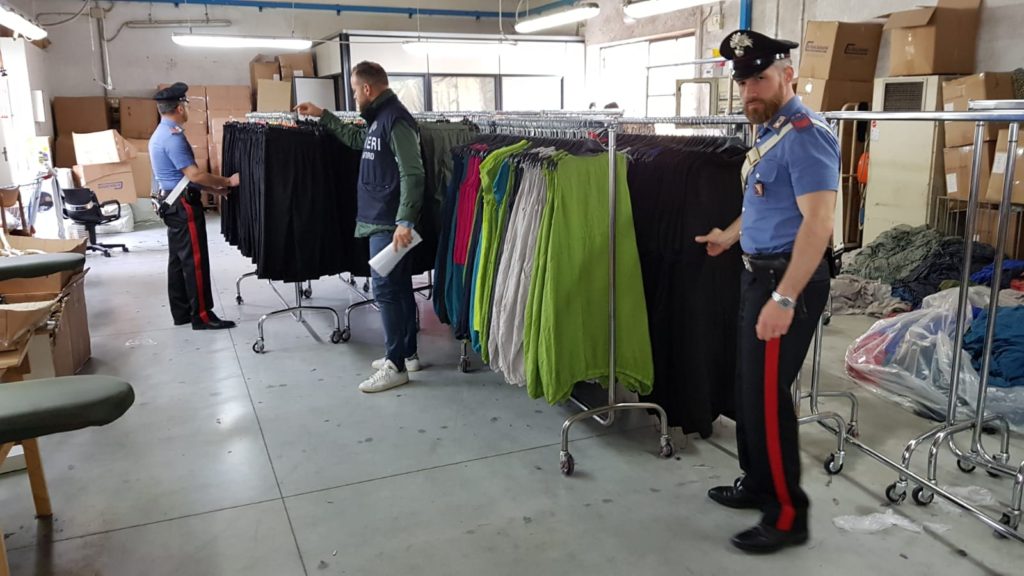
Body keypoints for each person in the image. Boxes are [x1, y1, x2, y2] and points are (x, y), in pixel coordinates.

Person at [695, 30, 839, 553]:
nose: (749, 90)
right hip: (759, 275)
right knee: (749, 391)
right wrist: (730, 236)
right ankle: (758, 482)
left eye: (759, 77)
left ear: (787, 75)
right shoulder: (771, 130)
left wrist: (784, 299)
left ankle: (786, 515)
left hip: (786, 281)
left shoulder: (805, 135)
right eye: (742, 82)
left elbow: (818, 224)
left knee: (768, 398)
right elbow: (767, 203)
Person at [295, 61, 426, 394]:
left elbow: (413, 172)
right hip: (381, 218)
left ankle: (395, 365)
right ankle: (407, 354)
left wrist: (404, 220)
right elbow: (357, 140)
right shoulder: (379, 119)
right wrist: (323, 115)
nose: (354, 96)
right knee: (398, 288)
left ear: (367, 88)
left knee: (386, 290)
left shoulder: (395, 120)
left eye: (354, 90)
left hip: (388, 221)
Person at [149, 82, 240, 330]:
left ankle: (182, 313)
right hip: (183, 206)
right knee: (195, 260)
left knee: (178, 260)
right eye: (186, 104)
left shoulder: (160, 133)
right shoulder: (173, 137)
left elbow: (181, 178)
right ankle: (202, 315)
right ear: (180, 107)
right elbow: (194, 175)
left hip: (171, 200)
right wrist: (227, 181)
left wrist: (215, 190)